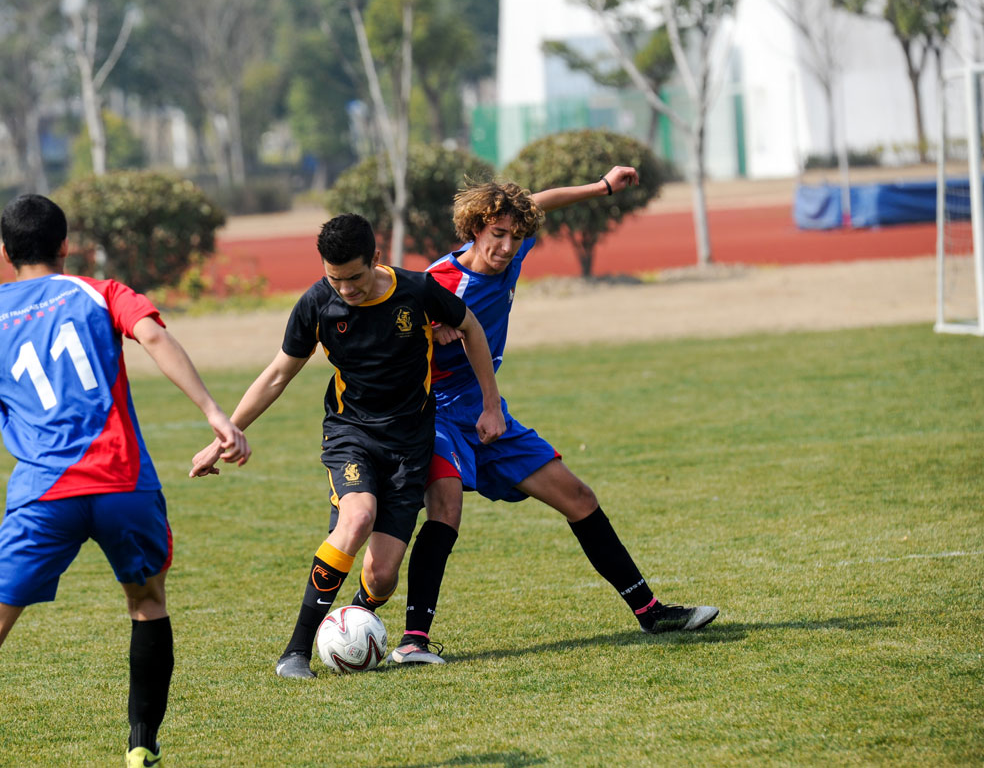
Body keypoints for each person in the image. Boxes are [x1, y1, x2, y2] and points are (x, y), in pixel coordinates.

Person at [0, 194, 249, 768]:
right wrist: (215, 414)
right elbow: (153, 336)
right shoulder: (99, 292)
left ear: (5, 253)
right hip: (122, 482)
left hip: (43, 495)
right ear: (64, 246)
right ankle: (140, 746)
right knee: (147, 603)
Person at [370, 169, 719, 665]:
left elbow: (540, 202)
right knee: (446, 505)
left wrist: (602, 188)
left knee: (578, 497)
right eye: (498, 235)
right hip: (438, 416)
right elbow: (390, 336)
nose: (508, 246)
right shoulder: (439, 282)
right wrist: (432, 331)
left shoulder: (511, 245)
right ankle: (413, 642)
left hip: (489, 411)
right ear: (475, 229)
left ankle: (650, 611)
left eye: (516, 236)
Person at [188, 213, 505, 679]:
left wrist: (491, 404)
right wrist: (226, 434)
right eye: (334, 278)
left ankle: (354, 623)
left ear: (375, 259)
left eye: (354, 278)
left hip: (410, 444)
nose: (346, 289)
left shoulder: (416, 291)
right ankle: (295, 652)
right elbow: (277, 375)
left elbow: (472, 327)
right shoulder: (318, 305)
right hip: (351, 434)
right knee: (357, 517)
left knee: (381, 576)